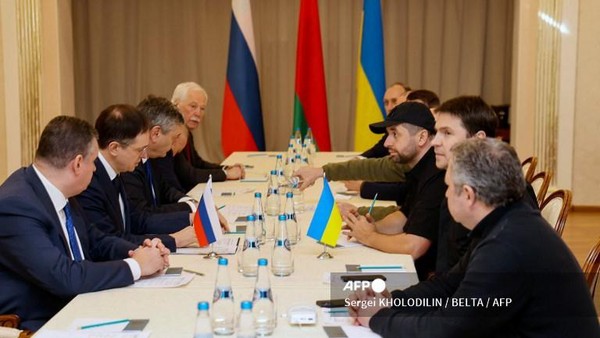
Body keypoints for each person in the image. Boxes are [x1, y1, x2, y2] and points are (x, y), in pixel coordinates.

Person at [350, 138, 600, 337]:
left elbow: (449, 328)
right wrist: (392, 300)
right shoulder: (504, 220)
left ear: (468, 195)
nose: (445, 195)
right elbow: (448, 286)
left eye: (448, 187)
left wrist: (378, 317)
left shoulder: (506, 246)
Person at [0, 116, 169, 330]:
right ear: (78, 164)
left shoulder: (58, 189)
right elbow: (64, 276)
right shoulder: (15, 206)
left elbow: (95, 239)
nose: (96, 170)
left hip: (81, 304)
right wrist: (136, 266)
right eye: (93, 162)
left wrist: (140, 251)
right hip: (41, 323)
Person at [343, 102, 446, 280]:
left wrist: (370, 237)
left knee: (345, 290)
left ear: (422, 138)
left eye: (395, 134)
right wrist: (369, 226)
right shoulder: (418, 167)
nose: (387, 143)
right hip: (417, 270)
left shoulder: (437, 175)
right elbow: (404, 217)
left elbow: (414, 246)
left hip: (430, 280)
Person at [77, 104, 196, 253]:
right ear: (114, 148)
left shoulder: (115, 171)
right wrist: (173, 240)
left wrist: (185, 223)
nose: (144, 156)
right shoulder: (90, 181)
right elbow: (108, 241)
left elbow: (135, 221)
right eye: (139, 150)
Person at [122, 95, 197, 213]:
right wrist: (190, 208)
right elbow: (143, 215)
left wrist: (189, 201)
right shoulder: (129, 163)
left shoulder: (153, 156)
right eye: (173, 138)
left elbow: (165, 189)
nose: (173, 146)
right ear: (156, 133)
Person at [171, 82, 245, 190]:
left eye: (202, 108)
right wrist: (226, 174)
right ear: (176, 105)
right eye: (193, 106)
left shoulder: (186, 132)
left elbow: (198, 163)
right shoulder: (171, 135)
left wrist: (225, 168)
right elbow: (189, 175)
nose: (198, 113)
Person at [359, 82, 410, 159]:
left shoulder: (413, 128)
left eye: (394, 101)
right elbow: (375, 152)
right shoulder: (390, 129)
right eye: (386, 103)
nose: (389, 108)